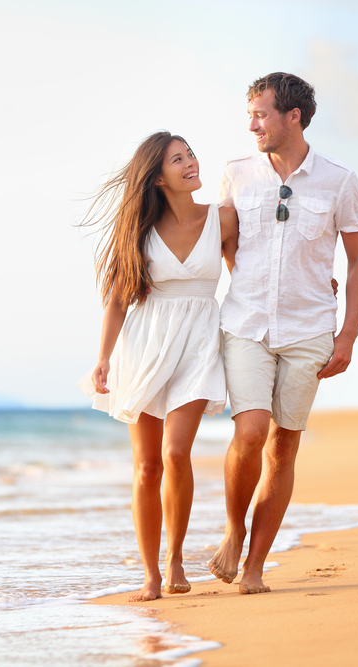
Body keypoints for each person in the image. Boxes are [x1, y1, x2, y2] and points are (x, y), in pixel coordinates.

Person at [207, 73, 358, 594]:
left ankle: (255, 566)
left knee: (283, 448)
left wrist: (347, 336)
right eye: (251, 113)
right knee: (250, 432)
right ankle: (234, 530)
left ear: (293, 116)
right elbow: (225, 242)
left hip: (309, 330)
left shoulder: (339, 180)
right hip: (246, 323)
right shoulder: (236, 173)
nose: (251, 123)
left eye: (260, 113)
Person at [79, 131, 239, 602]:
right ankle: (151, 573)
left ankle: (175, 557)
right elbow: (116, 302)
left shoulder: (222, 220)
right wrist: (104, 357)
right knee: (148, 466)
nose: (191, 161)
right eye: (178, 158)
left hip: (198, 343)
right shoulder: (140, 233)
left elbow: (250, 276)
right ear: (157, 177)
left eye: (190, 153)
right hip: (145, 345)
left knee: (174, 454)